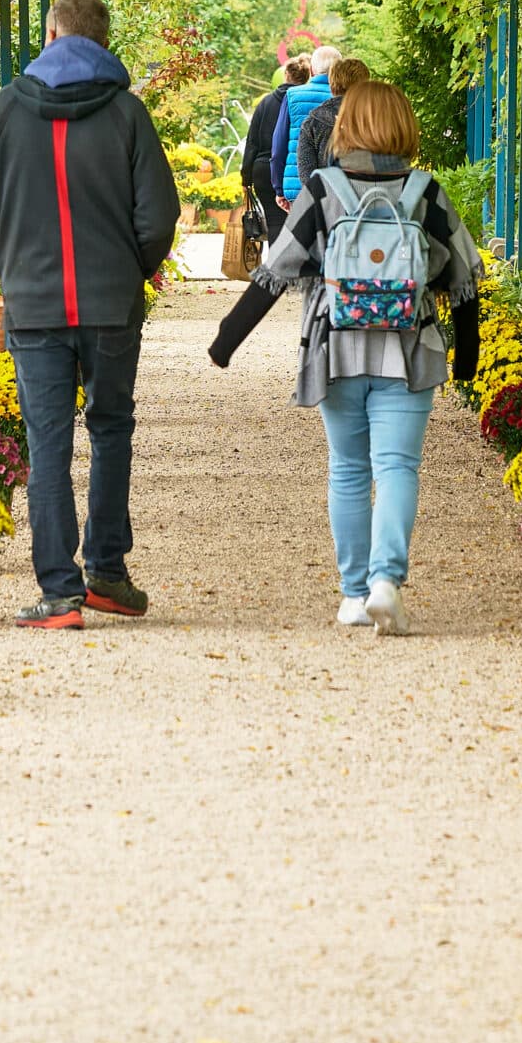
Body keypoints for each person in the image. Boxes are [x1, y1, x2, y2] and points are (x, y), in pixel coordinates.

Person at [207, 78, 480, 635]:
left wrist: (227, 339)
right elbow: (464, 277)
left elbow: (275, 271)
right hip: (408, 349)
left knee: (349, 469)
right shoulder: (425, 192)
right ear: (404, 125)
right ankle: (387, 583)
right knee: (398, 467)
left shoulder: (324, 188)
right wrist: (468, 356)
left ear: (346, 125)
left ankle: (354, 596)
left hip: (335, 347)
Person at [0, 0, 179, 631]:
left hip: (35, 308)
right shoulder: (127, 115)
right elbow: (158, 217)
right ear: (103, 44)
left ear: (52, 37)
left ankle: (59, 593)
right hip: (111, 303)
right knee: (111, 427)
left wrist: (16, 271)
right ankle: (108, 573)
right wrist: (130, 270)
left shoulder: (4, 110)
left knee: (47, 442)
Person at [244, 57, 307, 244]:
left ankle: (276, 269)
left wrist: (245, 177)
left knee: (274, 223)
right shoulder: (303, 102)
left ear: (286, 75)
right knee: (299, 225)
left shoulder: (266, 102)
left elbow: (252, 142)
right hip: (294, 169)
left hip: (263, 170)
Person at [274, 42, 341, 210]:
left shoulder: (292, 95)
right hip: (339, 188)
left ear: (311, 70)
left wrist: (279, 189)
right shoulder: (347, 98)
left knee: (304, 236)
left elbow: (279, 145)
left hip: (297, 187)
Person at [296, 55, 370, 189]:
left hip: (328, 202)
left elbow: (306, 174)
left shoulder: (313, 121)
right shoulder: (376, 119)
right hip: (371, 201)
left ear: (332, 85)